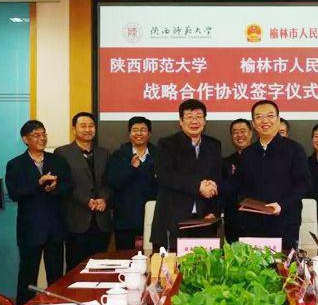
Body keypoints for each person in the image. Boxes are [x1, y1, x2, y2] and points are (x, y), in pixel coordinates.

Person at [225, 100, 310, 250]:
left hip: (284, 222)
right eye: (259, 117)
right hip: (252, 224)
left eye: (270, 115)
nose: (264, 121)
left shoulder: (294, 149)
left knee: (283, 264)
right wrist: (210, 185)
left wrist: (281, 204)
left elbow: (303, 184)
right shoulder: (248, 153)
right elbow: (237, 184)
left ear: (278, 119)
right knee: (253, 264)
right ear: (253, 123)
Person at [6, 120, 72, 305]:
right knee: (28, 276)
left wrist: (55, 188)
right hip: (30, 229)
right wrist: (38, 184)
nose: (42, 138)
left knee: (56, 275)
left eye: (43, 134)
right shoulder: (15, 164)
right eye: (36, 135)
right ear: (25, 139)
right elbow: (15, 193)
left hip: (55, 228)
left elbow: (68, 186)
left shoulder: (57, 160)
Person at [151, 99, 222, 249]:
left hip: (204, 220)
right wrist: (198, 186)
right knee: (172, 262)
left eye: (199, 117)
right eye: (189, 117)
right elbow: (164, 176)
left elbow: (216, 180)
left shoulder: (214, 145)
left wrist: (214, 211)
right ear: (181, 121)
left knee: (204, 262)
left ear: (205, 121)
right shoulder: (166, 144)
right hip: (173, 219)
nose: (194, 121)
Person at [55, 112, 112, 271]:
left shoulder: (104, 153)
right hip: (76, 220)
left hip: (101, 221)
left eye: (91, 126)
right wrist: (86, 201)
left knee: (101, 268)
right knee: (75, 268)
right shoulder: (62, 153)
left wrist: (104, 199)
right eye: (83, 126)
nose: (88, 129)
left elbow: (109, 182)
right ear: (74, 129)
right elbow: (64, 184)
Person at [108, 116, 158, 250]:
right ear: (129, 134)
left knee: (153, 257)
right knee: (126, 257)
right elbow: (113, 182)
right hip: (126, 220)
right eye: (135, 130)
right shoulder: (118, 156)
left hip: (153, 218)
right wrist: (132, 168)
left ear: (149, 134)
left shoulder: (159, 155)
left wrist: (142, 169)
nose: (139, 133)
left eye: (143, 130)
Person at [222, 118, 253, 242]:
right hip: (233, 221)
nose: (239, 135)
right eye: (235, 132)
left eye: (243, 131)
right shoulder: (226, 162)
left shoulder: (263, 158)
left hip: (257, 220)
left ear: (251, 133)